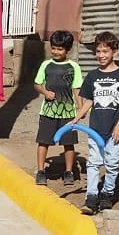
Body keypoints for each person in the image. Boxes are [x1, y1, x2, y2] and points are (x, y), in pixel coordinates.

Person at [73, 31, 119, 215]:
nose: (101, 55)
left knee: (112, 164)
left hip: (115, 131)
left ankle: (107, 194)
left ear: (114, 52)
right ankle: (91, 198)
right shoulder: (92, 76)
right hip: (96, 130)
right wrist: (76, 118)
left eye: (105, 51)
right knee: (93, 163)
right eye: (98, 51)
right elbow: (89, 102)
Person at [33, 30, 83, 186]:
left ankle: (68, 172)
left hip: (68, 112)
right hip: (48, 112)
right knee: (43, 141)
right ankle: (41, 171)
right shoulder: (46, 65)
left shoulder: (74, 67)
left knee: (68, 142)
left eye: (60, 49)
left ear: (68, 49)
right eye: (53, 48)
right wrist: (45, 92)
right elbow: (37, 84)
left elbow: (77, 88)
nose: (55, 52)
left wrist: (81, 108)